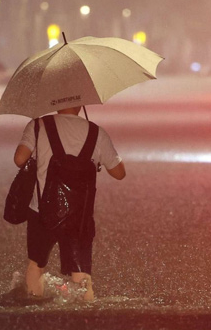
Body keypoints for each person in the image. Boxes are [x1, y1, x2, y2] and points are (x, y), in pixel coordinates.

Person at [13, 106, 126, 302]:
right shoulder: (96, 132)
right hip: (79, 216)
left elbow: (19, 159)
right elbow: (119, 173)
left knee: (36, 265)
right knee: (81, 273)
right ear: (81, 103)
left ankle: (32, 306)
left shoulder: (38, 125)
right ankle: (84, 314)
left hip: (41, 210)